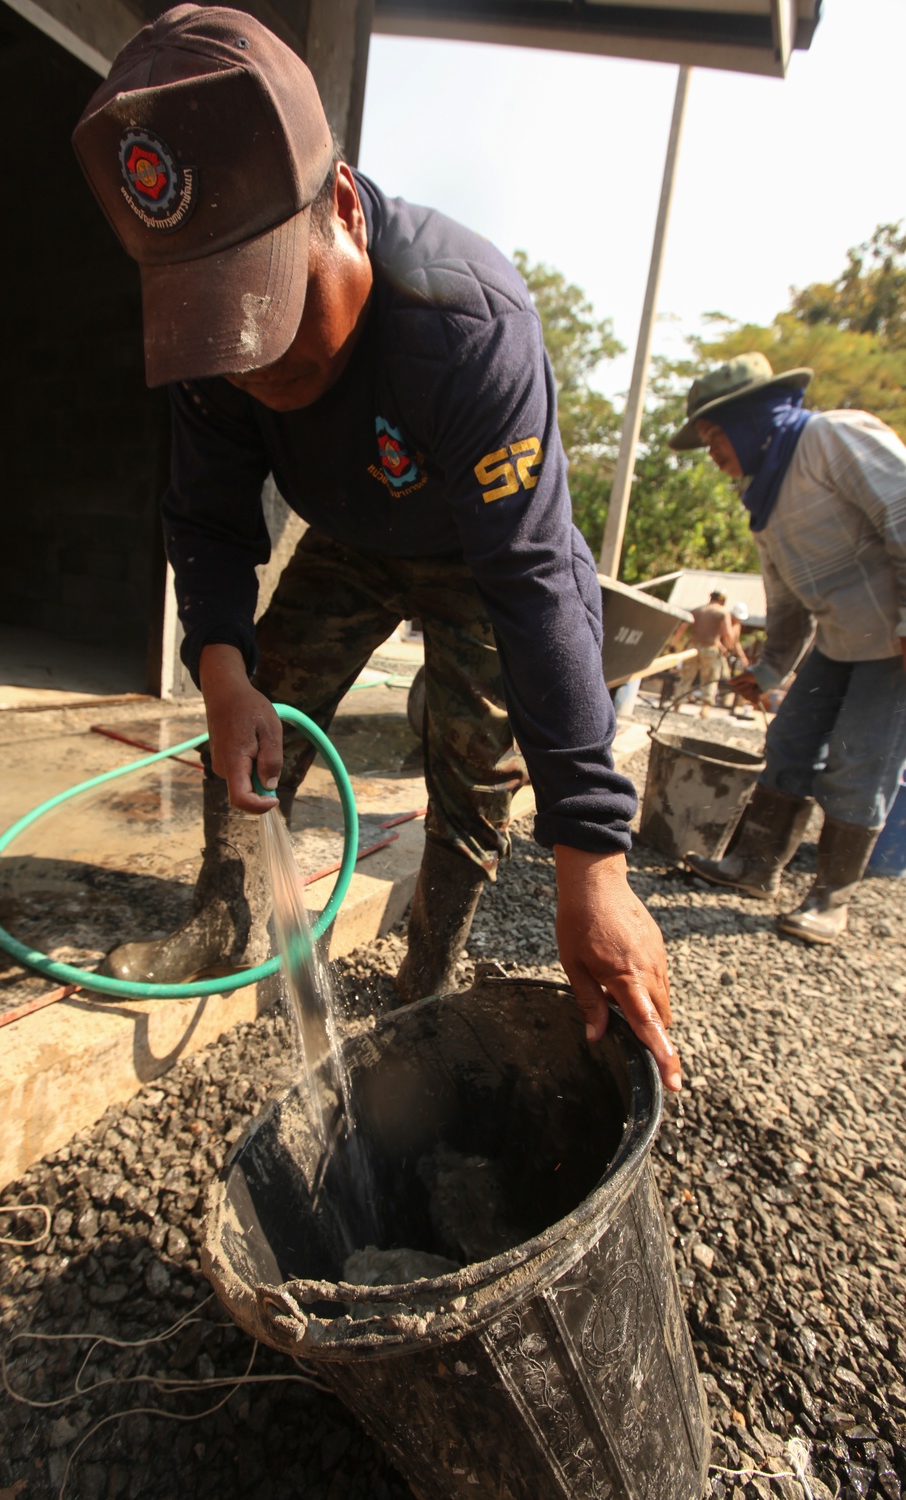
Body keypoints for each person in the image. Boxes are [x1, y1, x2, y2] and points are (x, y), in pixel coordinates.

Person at [71, 5, 679, 1090]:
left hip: (476, 555)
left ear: (342, 206)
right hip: (351, 537)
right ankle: (223, 913)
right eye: (224, 333)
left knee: (474, 766)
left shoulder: (464, 322)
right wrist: (218, 668)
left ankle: (428, 970)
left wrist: (594, 861)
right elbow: (206, 520)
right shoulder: (212, 357)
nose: (257, 371)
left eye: (276, 311)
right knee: (259, 695)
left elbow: (537, 584)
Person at [669, 352, 906, 944]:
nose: (714, 452)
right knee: (790, 741)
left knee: (860, 763)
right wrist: (771, 668)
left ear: (755, 419)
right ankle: (754, 865)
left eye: (717, 434)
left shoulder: (831, 438)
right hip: (837, 642)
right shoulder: (764, 503)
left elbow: (902, 509)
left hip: (892, 644)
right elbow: (791, 602)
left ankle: (830, 899)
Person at [672, 589, 731, 718]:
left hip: (692, 647)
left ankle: (677, 705)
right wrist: (729, 647)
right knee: (709, 679)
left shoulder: (698, 610)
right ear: (722, 600)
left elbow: (682, 628)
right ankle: (705, 708)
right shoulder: (722, 612)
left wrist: (674, 645)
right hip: (710, 648)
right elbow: (727, 633)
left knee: (686, 676)